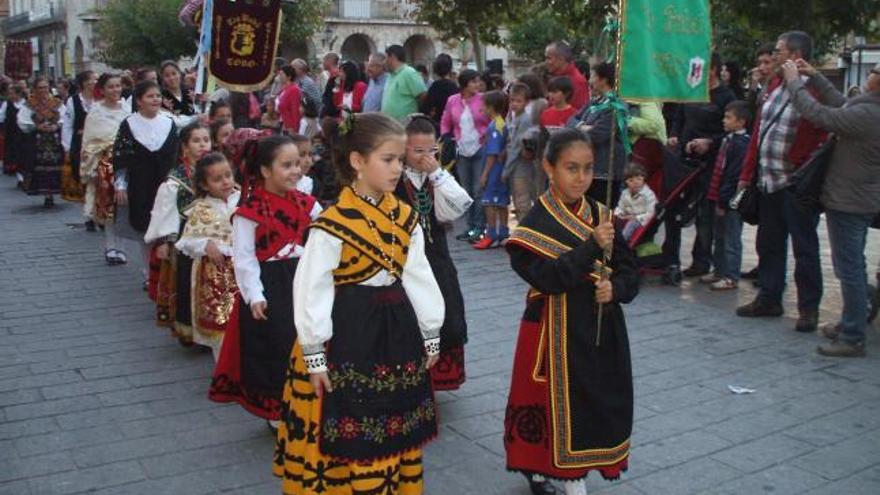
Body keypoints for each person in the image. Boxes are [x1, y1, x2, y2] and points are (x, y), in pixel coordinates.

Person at [273, 112, 444, 495]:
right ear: (357, 162)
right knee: (347, 417)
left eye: (400, 160)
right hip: (345, 335)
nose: (398, 168)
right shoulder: (332, 225)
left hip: (396, 332)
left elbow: (418, 276)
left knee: (394, 420)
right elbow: (311, 290)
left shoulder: (404, 217)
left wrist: (431, 332)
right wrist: (315, 355)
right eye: (388, 159)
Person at [504, 129, 638, 495]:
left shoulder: (601, 213)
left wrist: (617, 289)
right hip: (552, 329)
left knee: (597, 402)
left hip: (600, 326)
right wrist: (592, 246)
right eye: (571, 168)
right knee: (550, 405)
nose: (581, 178)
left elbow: (630, 269)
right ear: (549, 167)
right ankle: (546, 473)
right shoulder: (531, 226)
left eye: (588, 168)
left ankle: (577, 470)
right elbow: (549, 278)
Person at [210, 134, 321, 427]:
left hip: (304, 279)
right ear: (265, 171)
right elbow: (244, 258)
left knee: (309, 339)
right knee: (278, 345)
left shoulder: (308, 204)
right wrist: (255, 295)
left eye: (298, 163)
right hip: (271, 285)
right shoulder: (249, 212)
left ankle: (311, 399)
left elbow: (325, 239)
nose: (296, 170)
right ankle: (278, 408)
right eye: (287, 165)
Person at [780, 59, 880, 356]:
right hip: (858, 198)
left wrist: (794, 81)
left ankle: (852, 336)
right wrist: (816, 77)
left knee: (849, 268)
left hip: (850, 201)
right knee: (854, 265)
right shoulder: (866, 109)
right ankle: (853, 321)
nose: (870, 75)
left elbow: (819, 114)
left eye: (873, 73)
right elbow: (842, 104)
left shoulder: (869, 115)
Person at [736, 31, 827, 333]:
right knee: (769, 243)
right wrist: (747, 175)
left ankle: (809, 309)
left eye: (778, 51)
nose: (773, 57)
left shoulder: (815, 89)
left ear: (795, 54)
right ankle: (769, 298)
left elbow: (820, 127)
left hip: (796, 184)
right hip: (768, 180)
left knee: (805, 247)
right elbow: (759, 132)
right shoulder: (773, 86)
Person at [398, 114, 472, 390]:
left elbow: (459, 204)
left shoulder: (436, 178)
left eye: (431, 150)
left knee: (446, 314)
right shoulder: (394, 177)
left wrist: (437, 174)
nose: (425, 157)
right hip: (405, 261)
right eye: (417, 151)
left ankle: (437, 377)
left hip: (436, 256)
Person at [663, 54, 736, 284]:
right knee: (673, 209)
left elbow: (730, 130)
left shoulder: (725, 96)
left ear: (713, 70)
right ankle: (671, 258)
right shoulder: (691, 90)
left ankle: (702, 260)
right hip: (683, 160)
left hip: (709, 164)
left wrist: (710, 143)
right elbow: (678, 117)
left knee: (705, 214)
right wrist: (674, 135)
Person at [144, 121, 211, 343]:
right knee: (187, 283)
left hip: (212, 236)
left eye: (206, 140)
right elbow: (166, 210)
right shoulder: (176, 179)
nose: (203, 145)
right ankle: (189, 330)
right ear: (184, 146)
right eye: (196, 141)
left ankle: (211, 326)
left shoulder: (216, 170)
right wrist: (165, 240)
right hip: (186, 237)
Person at [113, 80, 181, 288]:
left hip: (166, 183)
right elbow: (121, 156)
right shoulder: (128, 124)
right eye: (150, 96)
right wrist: (121, 185)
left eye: (158, 96)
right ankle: (148, 273)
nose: (155, 100)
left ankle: (167, 273)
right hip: (140, 183)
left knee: (167, 227)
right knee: (145, 228)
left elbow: (177, 156)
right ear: (139, 100)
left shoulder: (169, 123)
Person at [174, 152, 240, 361]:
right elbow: (187, 240)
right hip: (215, 278)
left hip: (243, 272)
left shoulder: (244, 200)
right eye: (217, 179)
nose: (225, 182)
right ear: (204, 185)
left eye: (228, 175)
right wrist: (205, 244)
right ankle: (222, 369)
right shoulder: (201, 209)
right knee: (220, 325)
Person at [80, 73, 131, 262]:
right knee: (109, 206)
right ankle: (111, 247)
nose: (116, 90)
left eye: (118, 86)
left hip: (125, 162)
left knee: (124, 206)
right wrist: (91, 169)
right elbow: (89, 142)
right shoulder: (96, 112)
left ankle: (122, 247)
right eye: (111, 86)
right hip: (104, 165)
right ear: (102, 90)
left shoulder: (127, 108)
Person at [702, 101, 751, 290]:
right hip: (720, 196)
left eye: (729, 118)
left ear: (741, 121)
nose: (724, 121)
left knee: (731, 238)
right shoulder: (727, 140)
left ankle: (731, 275)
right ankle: (719, 270)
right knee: (720, 237)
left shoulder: (740, 145)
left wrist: (725, 199)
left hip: (731, 199)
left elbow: (732, 175)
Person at [571, 62, 628, 208]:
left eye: (594, 76)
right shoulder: (595, 102)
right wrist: (582, 127)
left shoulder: (615, 106)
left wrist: (584, 128)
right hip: (590, 167)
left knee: (601, 217)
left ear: (603, 80)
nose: (590, 80)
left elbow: (598, 134)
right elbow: (572, 121)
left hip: (605, 171)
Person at [441, 69, 488, 242]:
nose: (477, 85)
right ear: (464, 84)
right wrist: (446, 136)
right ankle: (470, 227)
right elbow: (445, 120)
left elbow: (495, 119)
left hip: (480, 148)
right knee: (466, 191)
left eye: (478, 81)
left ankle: (480, 226)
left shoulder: (483, 99)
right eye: (473, 82)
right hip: (461, 149)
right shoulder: (452, 100)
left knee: (478, 189)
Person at [19, 77, 64, 207]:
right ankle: (46, 193)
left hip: (54, 140)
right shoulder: (29, 104)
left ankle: (52, 192)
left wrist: (56, 126)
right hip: (37, 140)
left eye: (45, 87)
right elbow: (22, 121)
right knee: (40, 167)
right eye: (40, 87)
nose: (43, 90)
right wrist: (36, 127)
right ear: (35, 89)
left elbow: (65, 118)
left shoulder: (56, 103)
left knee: (55, 166)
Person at [474, 90, 510, 249]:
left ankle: (491, 234)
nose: (481, 108)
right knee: (501, 202)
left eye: (484, 105)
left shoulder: (495, 126)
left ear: (491, 107)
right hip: (501, 170)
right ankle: (503, 232)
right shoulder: (501, 123)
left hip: (495, 170)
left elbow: (492, 154)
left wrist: (485, 174)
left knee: (489, 202)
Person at [503, 83, 538, 221]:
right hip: (515, 164)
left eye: (518, 101)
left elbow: (517, 146)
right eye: (512, 100)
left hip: (521, 165)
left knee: (522, 201)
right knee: (518, 200)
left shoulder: (525, 119)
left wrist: (506, 170)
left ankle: (525, 235)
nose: (514, 104)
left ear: (526, 102)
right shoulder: (512, 117)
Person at [61, 70, 97, 201]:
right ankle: (88, 207)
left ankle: (93, 208)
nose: (97, 83)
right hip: (79, 145)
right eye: (94, 80)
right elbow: (67, 125)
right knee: (82, 176)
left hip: (97, 144)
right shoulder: (74, 101)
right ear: (86, 83)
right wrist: (67, 147)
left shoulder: (100, 100)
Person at [382, 44, 428, 121]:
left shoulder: (408, 72)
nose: (384, 61)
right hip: (390, 125)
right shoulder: (390, 76)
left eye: (385, 58)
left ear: (392, 57)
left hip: (405, 125)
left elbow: (423, 95)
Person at [615, 164, 657, 241]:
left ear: (644, 179)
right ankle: (614, 238)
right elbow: (620, 207)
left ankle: (622, 241)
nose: (635, 183)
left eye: (638, 179)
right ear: (626, 182)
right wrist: (619, 213)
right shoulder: (625, 193)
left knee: (632, 223)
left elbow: (651, 213)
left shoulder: (649, 195)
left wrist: (636, 217)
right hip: (628, 217)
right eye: (631, 180)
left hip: (642, 220)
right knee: (614, 218)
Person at [544, 41, 590, 111]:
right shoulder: (555, 77)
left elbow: (579, 114)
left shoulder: (578, 81)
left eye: (549, 58)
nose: (546, 62)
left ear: (561, 59)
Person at [420, 53, 458, 122]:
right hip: (452, 122)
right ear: (450, 68)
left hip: (438, 122)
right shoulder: (454, 86)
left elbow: (425, 108)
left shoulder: (435, 86)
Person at [1, 83, 27, 186]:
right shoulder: (7, 104)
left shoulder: (27, 103)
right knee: (14, 157)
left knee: (24, 156)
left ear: (19, 93)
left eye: (12, 93)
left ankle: (23, 177)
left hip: (24, 134)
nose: (10, 96)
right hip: (11, 135)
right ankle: (20, 177)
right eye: (9, 94)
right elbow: (1, 117)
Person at [276, 66, 303, 135]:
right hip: (284, 125)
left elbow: (295, 111)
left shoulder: (294, 90)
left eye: (281, 74)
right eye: (279, 74)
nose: (279, 76)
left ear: (289, 77)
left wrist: (295, 130)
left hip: (291, 128)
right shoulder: (284, 89)